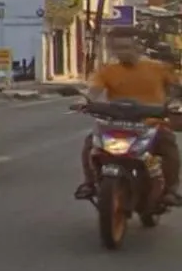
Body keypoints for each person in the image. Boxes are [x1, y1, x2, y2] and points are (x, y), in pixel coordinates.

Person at [75, 33, 181, 203]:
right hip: (116, 123)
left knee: (168, 145)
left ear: (138, 47)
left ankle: (170, 190)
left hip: (152, 123)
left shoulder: (158, 68)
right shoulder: (107, 70)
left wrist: (174, 103)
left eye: (126, 47)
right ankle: (90, 183)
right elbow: (94, 90)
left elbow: (176, 87)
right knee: (90, 144)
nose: (121, 52)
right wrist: (84, 100)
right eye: (117, 48)